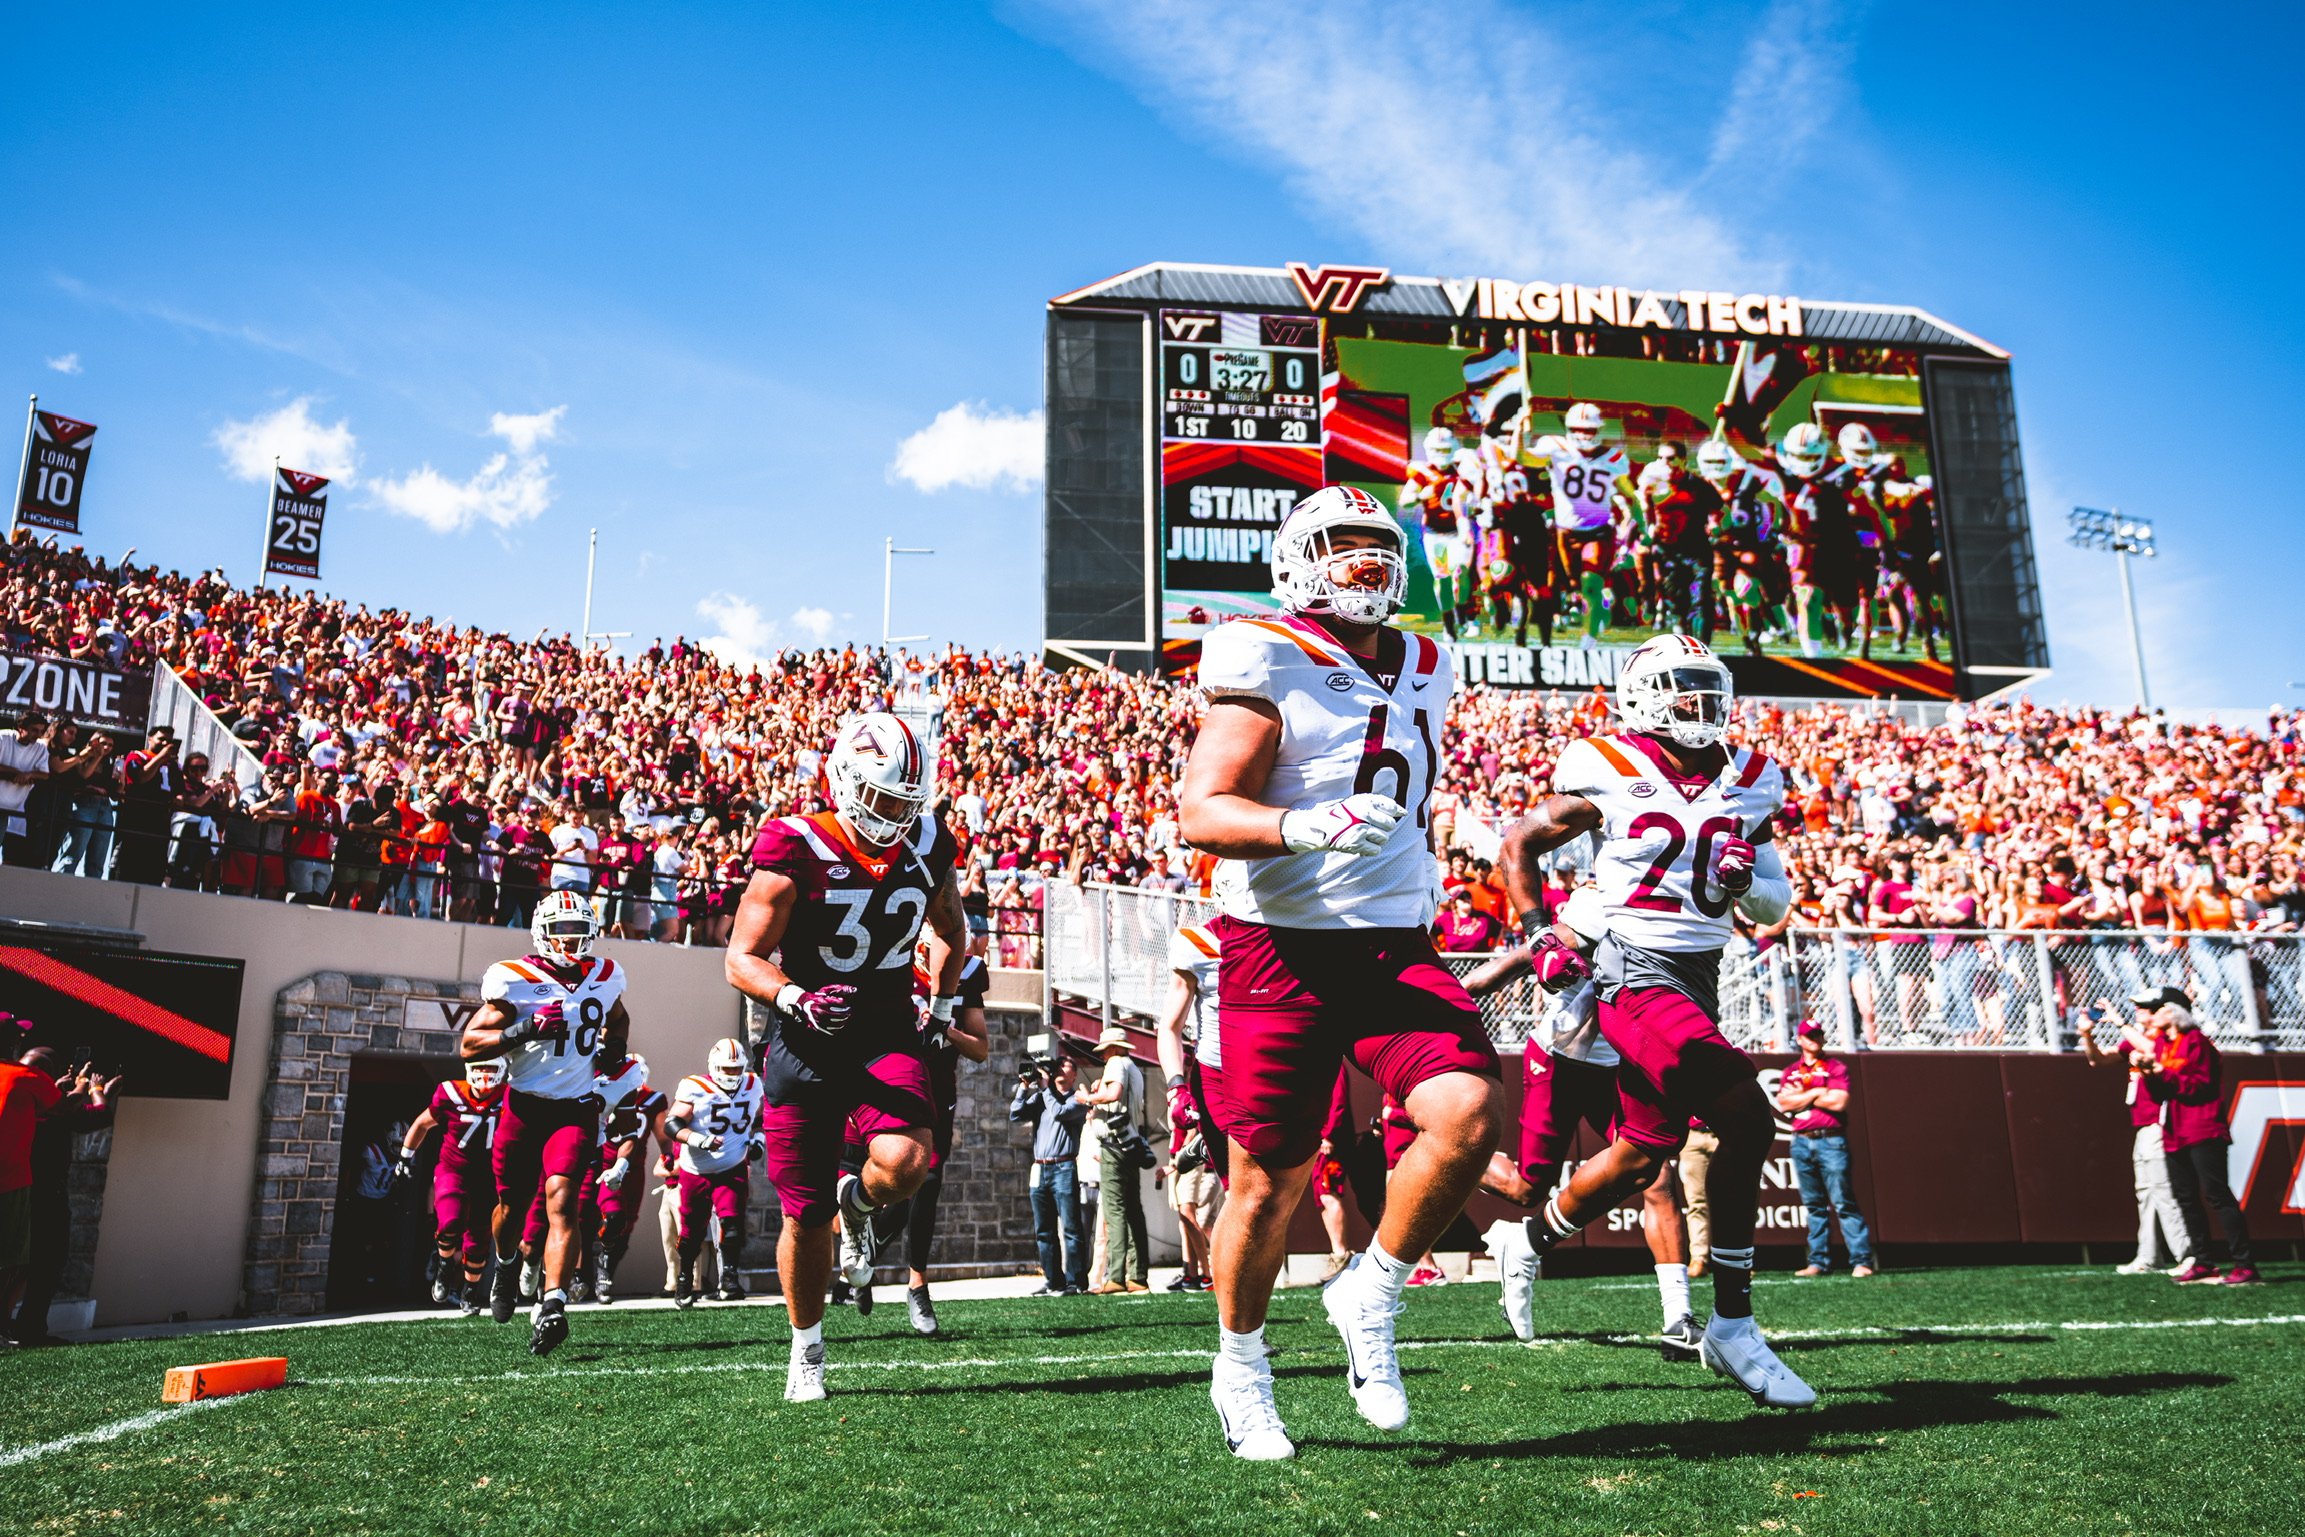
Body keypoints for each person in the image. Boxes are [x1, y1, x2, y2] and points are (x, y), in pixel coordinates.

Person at [1179, 485, 1503, 1460]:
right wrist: (1299, 825)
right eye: (1341, 546)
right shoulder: (1266, 652)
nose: (1365, 563)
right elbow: (1203, 808)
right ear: (1294, 559)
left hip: (1390, 941)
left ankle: (1371, 1287)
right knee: (1268, 1182)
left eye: (1376, 545)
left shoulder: (1431, 663)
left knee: (1468, 1114)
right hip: (1277, 946)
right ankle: (1240, 1368)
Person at [1492, 633, 1815, 1409]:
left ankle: (1524, 1238)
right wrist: (1538, 932)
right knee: (1745, 1113)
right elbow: (1518, 844)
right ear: (1642, 694)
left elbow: (1772, 904)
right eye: (1680, 688)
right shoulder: (1608, 763)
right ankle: (1732, 1325)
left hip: (1699, 974)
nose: (1697, 703)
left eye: (1707, 688)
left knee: (1641, 1154)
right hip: (1628, 967)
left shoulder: (1753, 777)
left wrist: (1744, 884)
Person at [724, 711, 968, 1402]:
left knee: (908, 1163)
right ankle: (807, 1348)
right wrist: (793, 997)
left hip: (884, 1032)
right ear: (846, 779)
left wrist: (944, 1004)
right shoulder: (794, 844)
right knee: (801, 1214)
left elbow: (950, 927)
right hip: (806, 1039)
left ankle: (855, 1203)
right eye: (884, 797)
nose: (894, 814)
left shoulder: (925, 842)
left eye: (905, 802)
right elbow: (741, 958)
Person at [1467, 884, 1702, 1358]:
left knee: (1655, 1175)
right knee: (1527, 1189)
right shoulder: (1585, 918)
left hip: (1619, 1064)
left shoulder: (1658, 914)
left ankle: (1678, 1316)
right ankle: (1452, 1155)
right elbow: (1504, 967)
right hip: (1559, 1059)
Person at [458, 888, 632, 1356]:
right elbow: (470, 1045)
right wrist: (523, 1030)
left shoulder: (605, 974)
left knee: (563, 1203)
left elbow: (619, 1019)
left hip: (574, 1108)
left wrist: (613, 1052)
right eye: (562, 931)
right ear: (542, 932)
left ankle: (553, 1302)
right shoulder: (514, 979)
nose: (572, 940)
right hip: (524, 1106)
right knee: (511, 1209)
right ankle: (506, 1263)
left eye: (579, 931)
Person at [2142, 988, 2257, 1285]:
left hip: (2203, 1127)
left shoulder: (2197, 1042)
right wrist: (2151, 1074)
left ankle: (2244, 1263)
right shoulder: (2161, 1045)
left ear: (2175, 1012)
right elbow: (2160, 1093)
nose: (2153, 1015)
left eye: (2160, 1009)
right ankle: (2203, 1261)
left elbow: (2199, 1086)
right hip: (2175, 1131)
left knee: (2217, 1194)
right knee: (2185, 1197)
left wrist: (2161, 1072)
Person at [3, 1048, 116, 1344]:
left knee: (17, 1265)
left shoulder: (21, 1100)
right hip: (45, 1196)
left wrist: (60, 1089)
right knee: (46, 1262)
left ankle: (8, 1325)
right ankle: (28, 1328)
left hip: (16, 1191)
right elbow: (99, 1114)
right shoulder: (59, 1111)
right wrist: (97, 1089)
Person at [2078, 991, 2191, 1274]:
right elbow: (2098, 1060)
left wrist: (2119, 1022)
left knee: (2164, 1191)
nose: (2139, 1011)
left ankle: (2187, 1255)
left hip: (2161, 1123)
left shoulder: (2167, 1040)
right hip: (2143, 1125)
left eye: (2145, 1008)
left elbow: (2154, 1052)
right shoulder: (2135, 1040)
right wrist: (2087, 1036)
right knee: (2146, 1192)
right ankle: (2149, 1255)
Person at [395, 1057, 507, 1316]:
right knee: (450, 1220)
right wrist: (404, 1156)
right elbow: (423, 1123)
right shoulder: (451, 1093)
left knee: (478, 1240)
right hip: (453, 1169)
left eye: (491, 1069)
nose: (485, 1075)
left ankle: (469, 1292)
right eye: (481, 1068)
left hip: (488, 1176)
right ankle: (444, 1263)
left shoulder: (508, 1097)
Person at [664, 1039, 765, 1305]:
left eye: (736, 1069)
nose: (732, 1074)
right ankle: (685, 1276)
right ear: (713, 1066)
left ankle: (729, 1277)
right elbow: (672, 1123)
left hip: (732, 1165)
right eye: (726, 1069)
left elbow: (762, 1120)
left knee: (732, 1223)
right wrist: (698, 1139)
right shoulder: (695, 1087)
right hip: (696, 1168)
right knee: (691, 1232)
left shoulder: (753, 1084)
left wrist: (759, 1141)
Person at [1778, 1020, 1876, 1277]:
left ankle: (1861, 1260)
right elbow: (1784, 1102)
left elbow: (1839, 1102)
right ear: (1799, 1040)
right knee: (1813, 1205)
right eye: (1809, 1036)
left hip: (1830, 1139)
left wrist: (1807, 1093)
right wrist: (1819, 1092)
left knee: (1843, 1202)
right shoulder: (1791, 1071)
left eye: (1818, 1035)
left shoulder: (1835, 1067)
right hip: (1801, 1140)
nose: (1814, 1039)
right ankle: (1818, 1261)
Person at [588, 1049, 665, 1304]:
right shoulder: (602, 1090)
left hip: (635, 1167)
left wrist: (669, 1156)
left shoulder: (653, 1100)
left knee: (626, 1224)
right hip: (608, 1163)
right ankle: (592, 1273)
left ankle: (605, 1271)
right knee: (612, 1217)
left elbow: (662, 1135)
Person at [1011, 1053, 1091, 1295]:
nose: (1059, 1071)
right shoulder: (1041, 1097)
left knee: (1070, 1227)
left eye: (1064, 1067)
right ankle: (1053, 1280)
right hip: (1040, 1167)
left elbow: (1059, 1112)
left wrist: (1045, 1086)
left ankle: (1076, 1282)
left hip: (1064, 1168)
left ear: (1074, 1074)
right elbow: (1016, 1114)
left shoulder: (1079, 1099)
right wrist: (1023, 1088)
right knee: (1043, 1230)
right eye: (1057, 1068)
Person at [1081, 1025, 1151, 1295]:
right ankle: (1139, 1275)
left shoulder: (1115, 1064)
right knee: (1134, 1210)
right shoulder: (1133, 1067)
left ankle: (1116, 1277)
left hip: (1113, 1145)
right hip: (1131, 1144)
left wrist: (1088, 1098)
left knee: (1115, 1211)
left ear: (1110, 1049)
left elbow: (1113, 1094)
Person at [0, 710, 53, 867]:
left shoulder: (40, 749)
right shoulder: (3, 737)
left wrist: (29, 774)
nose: (37, 734)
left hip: (11, 808)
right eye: (34, 730)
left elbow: (45, 775)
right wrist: (17, 773)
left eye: (41, 731)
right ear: (21, 727)